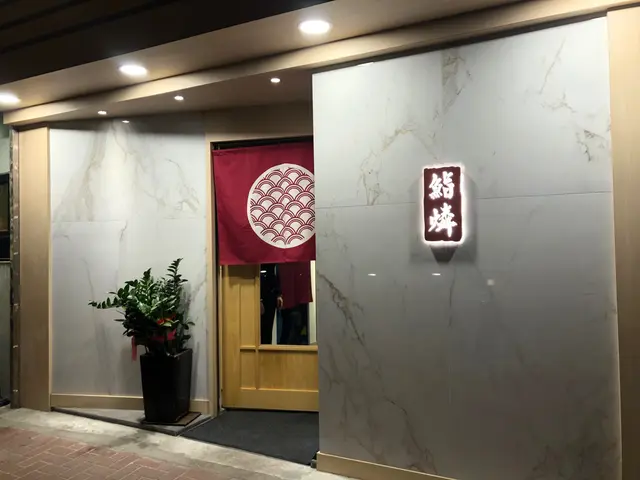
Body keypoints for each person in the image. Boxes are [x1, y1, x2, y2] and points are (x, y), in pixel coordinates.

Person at [260, 264, 282, 344]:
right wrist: (259, 299)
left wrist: (278, 294)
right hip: (261, 294)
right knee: (261, 328)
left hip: (271, 295)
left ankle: (267, 346)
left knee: (268, 328)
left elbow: (274, 275)